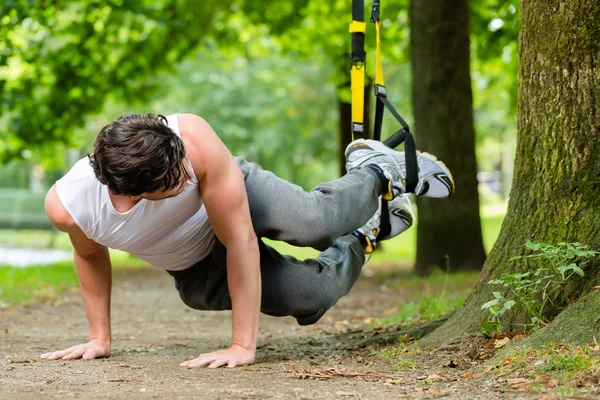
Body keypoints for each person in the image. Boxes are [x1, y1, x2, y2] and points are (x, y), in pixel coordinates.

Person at [41, 113, 454, 369]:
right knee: (312, 296)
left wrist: (243, 344)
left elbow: (240, 243)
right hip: (196, 261)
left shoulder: (194, 145)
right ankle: (369, 231)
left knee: (314, 224)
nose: (188, 176)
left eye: (183, 163)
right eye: (175, 182)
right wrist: (99, 338)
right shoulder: (69, 207)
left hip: (234, 195)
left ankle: (376, 170)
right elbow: (90, 254)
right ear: (135, 192)